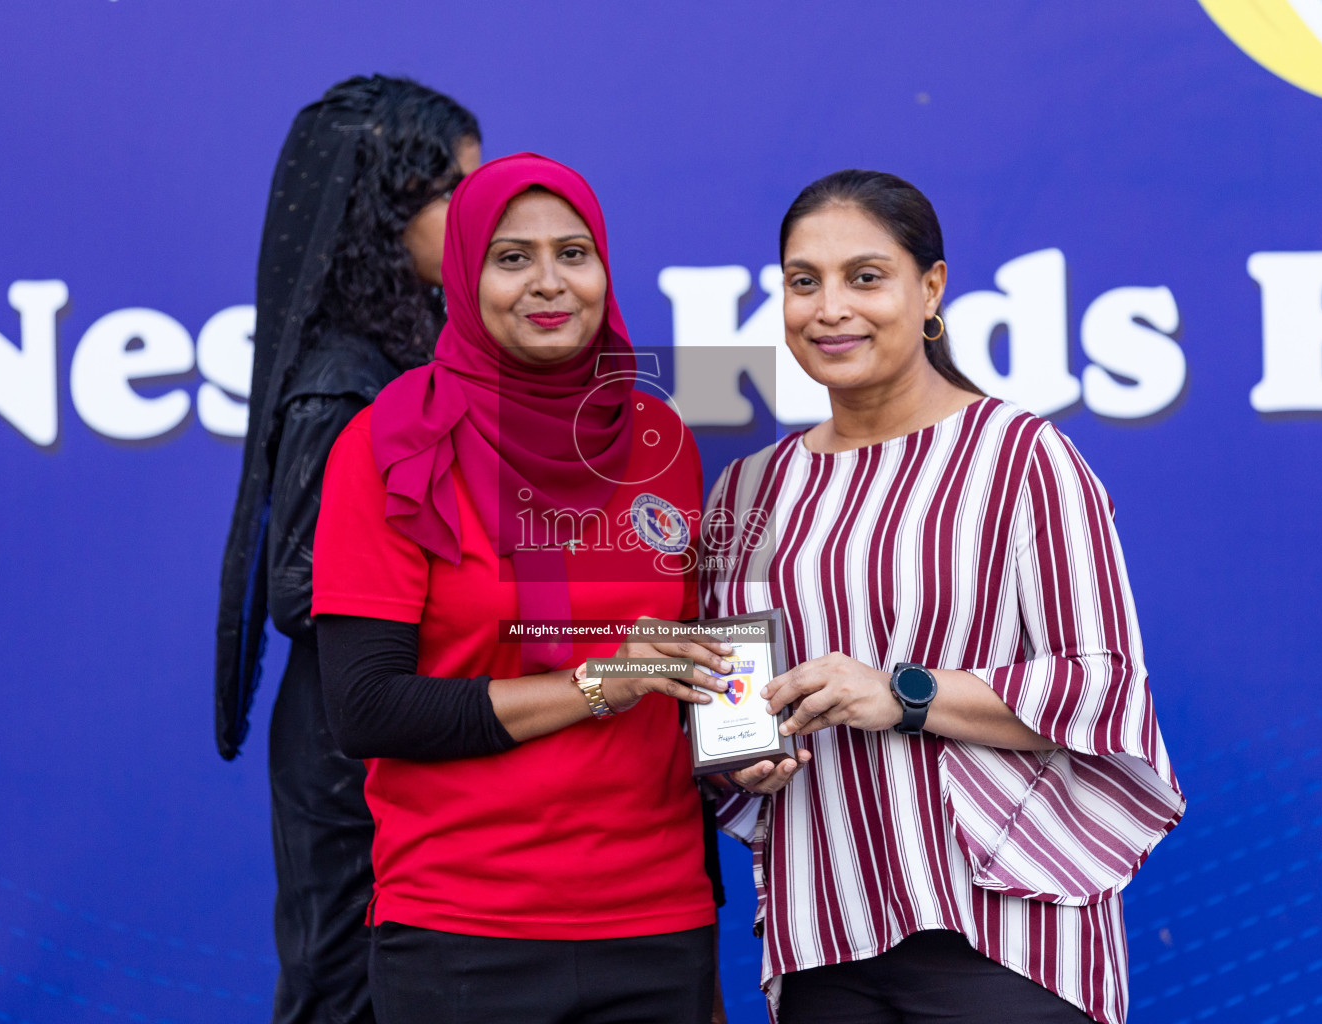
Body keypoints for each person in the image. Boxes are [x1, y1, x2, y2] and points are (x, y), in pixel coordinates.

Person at [701, 170, 1185, 1024]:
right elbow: (730, 704)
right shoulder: (746, 493)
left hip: (1008, 936)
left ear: (930, 288)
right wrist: (739, 755)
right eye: (803, 282)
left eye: (865, 277)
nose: (830, 308)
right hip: (825, 938)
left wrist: (899, 693)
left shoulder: (1022, 458)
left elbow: (1103, 690)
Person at [310, 153, 734, 1024]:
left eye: (574, 254)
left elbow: (690, 659)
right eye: (512, 258)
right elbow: (365, 708)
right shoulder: (388, 443)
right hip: (464, 930)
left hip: (656, 920)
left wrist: (744, 741)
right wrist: (593, 685)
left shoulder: (660, 438)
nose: (549, 284)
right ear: (466, 275)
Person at [213, 74, 481, 1024]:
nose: (476, 218)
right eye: (455, 193)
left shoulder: (409, 351)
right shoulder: (344, 378)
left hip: (400, 728)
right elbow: (295, 587)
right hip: (345, 753)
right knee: (341, 992)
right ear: (383, 207)